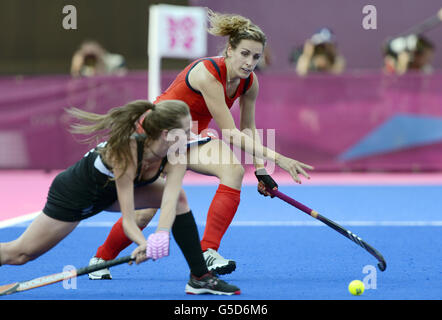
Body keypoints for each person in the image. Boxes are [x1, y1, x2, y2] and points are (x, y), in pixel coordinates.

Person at [88, 9, 314, 280]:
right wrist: (280, 159)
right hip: (159, 133)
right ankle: (100, 258)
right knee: (146, 213)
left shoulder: (249, 82)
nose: (250, 62)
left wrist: (261, 169)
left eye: (255, 56)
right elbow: (230, 133)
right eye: (244, 53)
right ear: (229, 50)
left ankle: (207, 251)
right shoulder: (207, 74)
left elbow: (247, 128)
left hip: (192, 134)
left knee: (233, 171)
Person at [0, 99, 240, 296]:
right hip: (76, 195)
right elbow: (128, 218)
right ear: (166, 133)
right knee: (20, 254)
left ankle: (200, 277)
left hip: (111, 193)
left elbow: (172, 197)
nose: (191, 136)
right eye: (186, 131)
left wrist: (162, 234)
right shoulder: (127, 152)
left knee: (179, 200)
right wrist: (142, 244)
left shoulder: (177, 152)